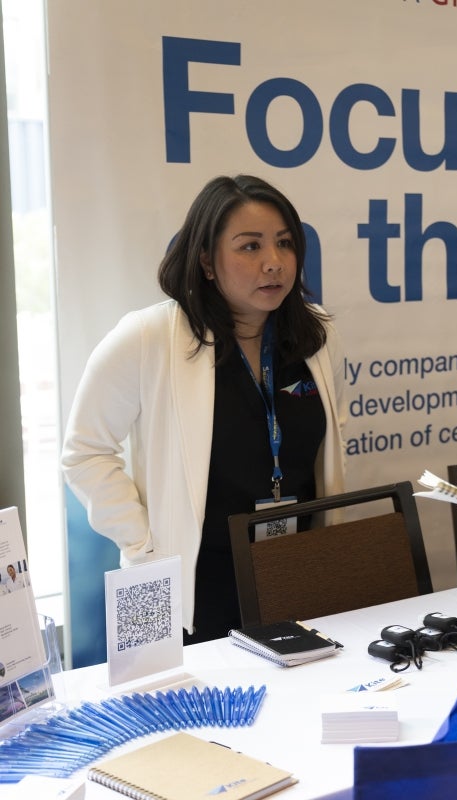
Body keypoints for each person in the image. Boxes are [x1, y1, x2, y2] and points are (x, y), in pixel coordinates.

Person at [62, 175, 347, 644]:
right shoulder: (148, 337)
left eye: (284, 244)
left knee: (298, 706)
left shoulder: (317, 335)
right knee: (172, 714)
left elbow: (330, 437)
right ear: (206, 262)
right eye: (250, 247)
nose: (273, 263)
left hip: (292, 569)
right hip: (175, 580)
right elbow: (84, 453)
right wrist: (144, 543)